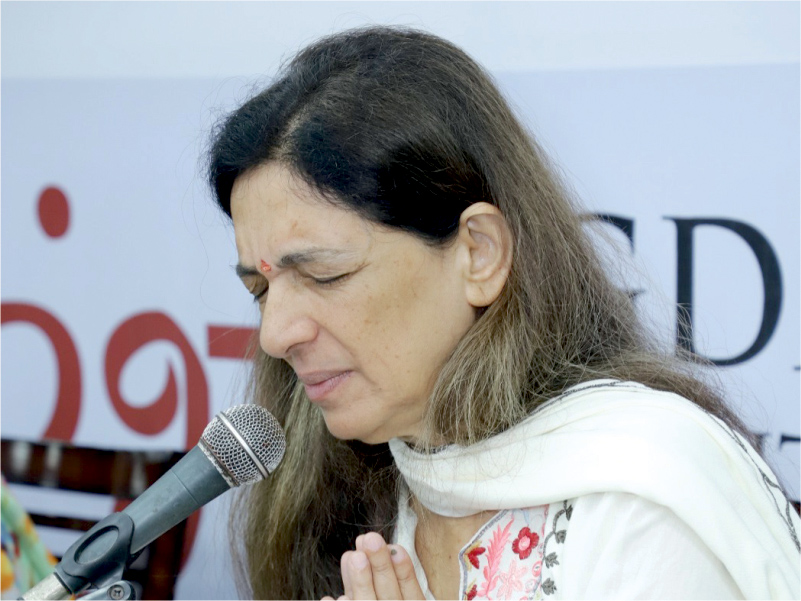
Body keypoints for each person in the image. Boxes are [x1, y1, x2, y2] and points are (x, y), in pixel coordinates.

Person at [206, 26, 800, 600]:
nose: (276, 334)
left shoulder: (642, 506)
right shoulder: (340, 497)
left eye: (324, 275)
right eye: (261, 289)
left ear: (479, 254)